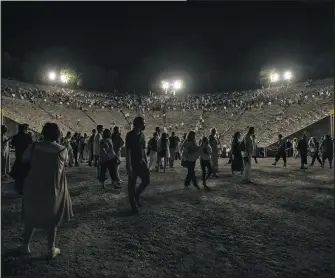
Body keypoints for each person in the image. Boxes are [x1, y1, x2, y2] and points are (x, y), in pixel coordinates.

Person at [21, 123, 73, 259]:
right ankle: (51, 248)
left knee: (31, 214)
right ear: (57, 134)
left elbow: (24, 159)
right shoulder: (62, 150)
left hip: (33, 185)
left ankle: (25, 245)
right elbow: (65, 163)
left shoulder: (33, 147)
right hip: (52, 187)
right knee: (51, 217)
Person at [125, 117, 150, 214]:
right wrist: (128, 165)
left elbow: (143, 150)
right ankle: (133, 205)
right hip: (133, 162)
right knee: (132, 185)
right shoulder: (129, 135)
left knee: (146, 180)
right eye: (143, 123)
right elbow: (127, 151)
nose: (144, 124)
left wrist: (146, 163)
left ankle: (136, 195)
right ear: (138, 124)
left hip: (141, 162)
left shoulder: (142, 135)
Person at [10, 124, 33, 194]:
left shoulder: (16, 136)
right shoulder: (28, 136)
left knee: (17, 174)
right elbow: (31, 145)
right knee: (25, 174)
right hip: (26, 157)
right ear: (24, 129)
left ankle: (19, 189)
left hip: (18, 156)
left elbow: (12, 144)